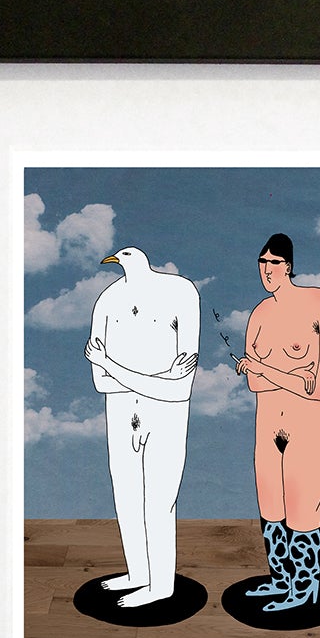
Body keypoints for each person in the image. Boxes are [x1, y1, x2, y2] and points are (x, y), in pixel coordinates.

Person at [84, 247, 199, 608]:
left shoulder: (181, 292)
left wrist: (111, 364)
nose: (117, 260)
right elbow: (100, 381)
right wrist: (160, 376)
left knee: (160, 500)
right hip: (119, 412)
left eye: (124, 255)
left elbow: (180, 387)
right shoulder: (107, 300)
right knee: (126, 497)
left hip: (167, 414)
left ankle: (161, 585)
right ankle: (138, 574)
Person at [235, 233, 320, 611]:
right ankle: (280, 580)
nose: (266, 270)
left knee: (303, 505)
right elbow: (253, 383)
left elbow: (319, 387)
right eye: (262, 263)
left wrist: (265, 369)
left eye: (274, 263)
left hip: (306, 427)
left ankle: (304, 588)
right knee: (271, 506)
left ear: (289, 266)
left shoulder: (319, 303)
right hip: (267, 425)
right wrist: (293, 375)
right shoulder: (259, 314)